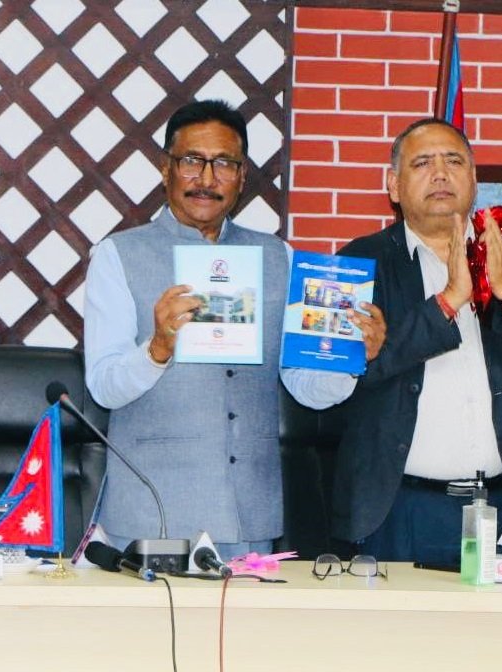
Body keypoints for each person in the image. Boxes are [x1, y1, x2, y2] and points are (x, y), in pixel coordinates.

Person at [315, 118, 502, 564]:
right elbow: (343, 380)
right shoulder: (358, 262)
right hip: (397, 509)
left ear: (474, 180)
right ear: (394, 186)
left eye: (454, 162)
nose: (440, 173)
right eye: (422, 163)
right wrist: (448, 302)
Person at [83, 99, 342, 559]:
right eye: (192, 161)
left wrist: (348, 357)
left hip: (248, 513)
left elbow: (307, 388)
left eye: (224, 163)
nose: (206, 178)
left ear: (242, 177)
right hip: (150, 512)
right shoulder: (117, 255)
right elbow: (104, 387)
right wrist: (157, 349)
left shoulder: (279, 257)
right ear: (166, 168)